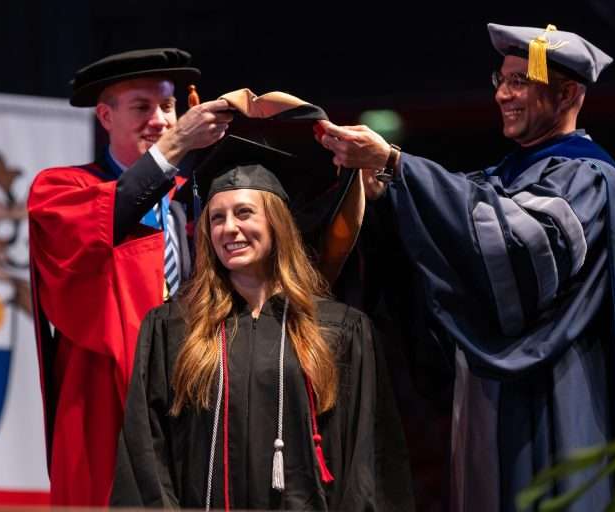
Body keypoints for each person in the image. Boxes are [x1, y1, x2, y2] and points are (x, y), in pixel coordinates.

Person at [318, 23, 615, 511]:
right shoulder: (504, 176)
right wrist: (381, 194)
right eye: (500, 78)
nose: (503, 93)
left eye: (521, 80)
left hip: (556, 388)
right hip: (488, 394)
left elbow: (520, 247)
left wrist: (397, 164)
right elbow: (451, 229)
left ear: (567, 93)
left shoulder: (587, 177)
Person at [111, 136, 414, 511]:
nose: (229, 228)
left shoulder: (338, 329)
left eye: (244, 213)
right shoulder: (173, 327)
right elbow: (146, 450)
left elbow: (368, 456)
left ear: (277, 223)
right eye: (217, 218)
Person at [27, 48, 233, 506]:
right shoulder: (61, 191)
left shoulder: (196, 201)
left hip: (191, 397)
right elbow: (114, 211)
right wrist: (176, 147)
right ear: (105, 115)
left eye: (168, 106)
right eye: (142, 107)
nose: (160, 120)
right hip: (103, 405)